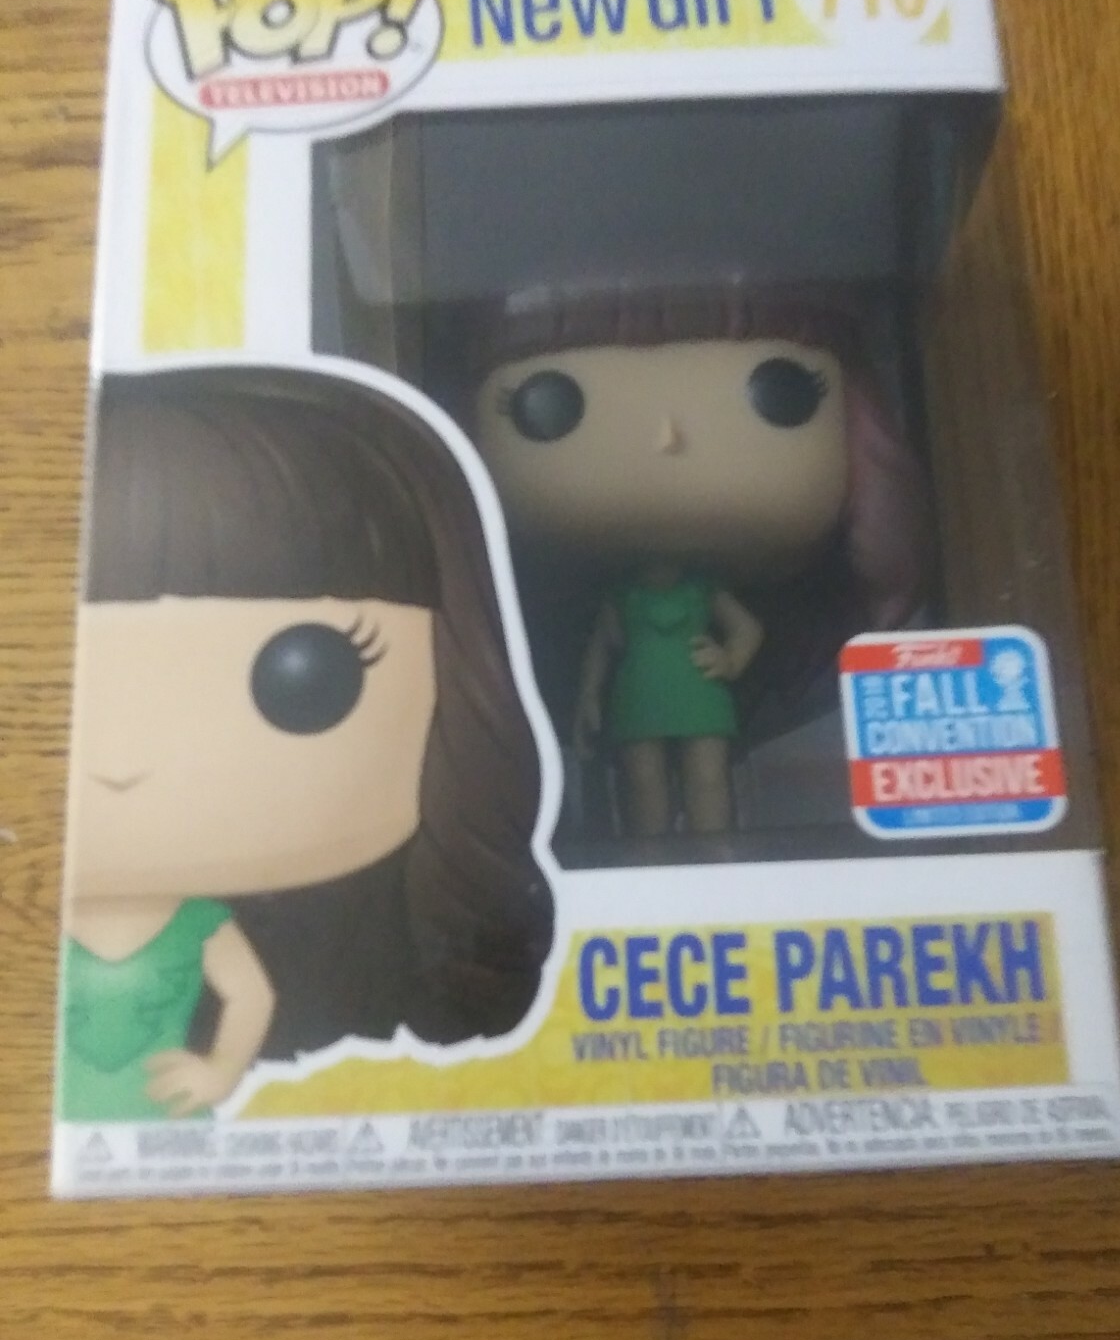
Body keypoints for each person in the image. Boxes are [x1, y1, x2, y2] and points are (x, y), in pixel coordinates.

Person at [62, 363, 554, 1121]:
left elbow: (249, 999)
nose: (124, 766)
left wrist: (220, 1072)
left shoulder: (213, 932)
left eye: (305, 675)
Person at [464, 282, 927, 838]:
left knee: (707, 776)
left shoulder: (705, 591)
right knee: (644, 779)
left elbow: (747, 630)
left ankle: (712, 844)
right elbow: (602, 648)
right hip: (640, 697)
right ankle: (650, 848)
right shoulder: (622, 597)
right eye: (548, 406)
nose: (667, 438)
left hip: (700, 693)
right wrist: (588, 699)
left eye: (782, 393)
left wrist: (730, 659)